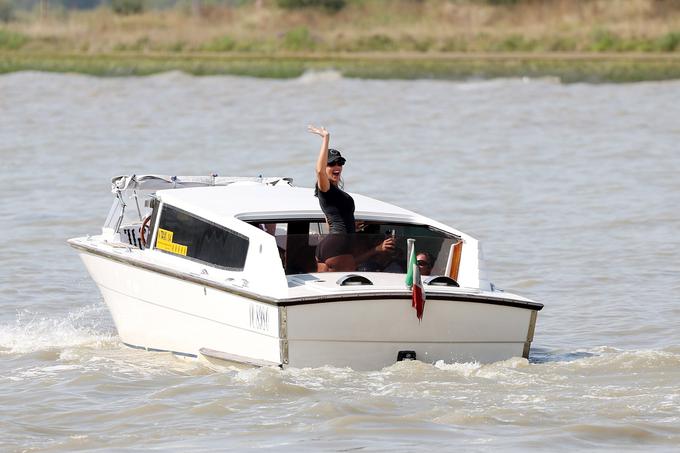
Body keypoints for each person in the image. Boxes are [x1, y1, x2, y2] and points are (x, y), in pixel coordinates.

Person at [309, 125, 394, 272]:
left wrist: (350, 225)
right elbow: (319, 170)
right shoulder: (326, 189)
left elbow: (330, 223)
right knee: (342, 287)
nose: (337, 166)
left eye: (340, 163)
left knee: (328, 284)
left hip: (332, 244)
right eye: (331, 164)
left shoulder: (334, 193)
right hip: (338, 244)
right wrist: (326, 138)